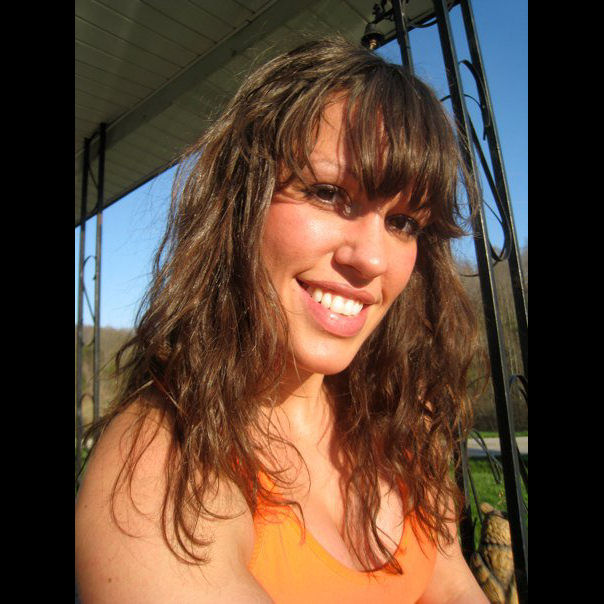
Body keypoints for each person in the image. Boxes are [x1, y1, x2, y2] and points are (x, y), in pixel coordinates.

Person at [75, 37, 489, 603]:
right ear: (239, 205)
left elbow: (451, 583)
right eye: (329, 193)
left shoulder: (398, 421)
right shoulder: (163, 466)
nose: (372, 260)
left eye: (403, 223)